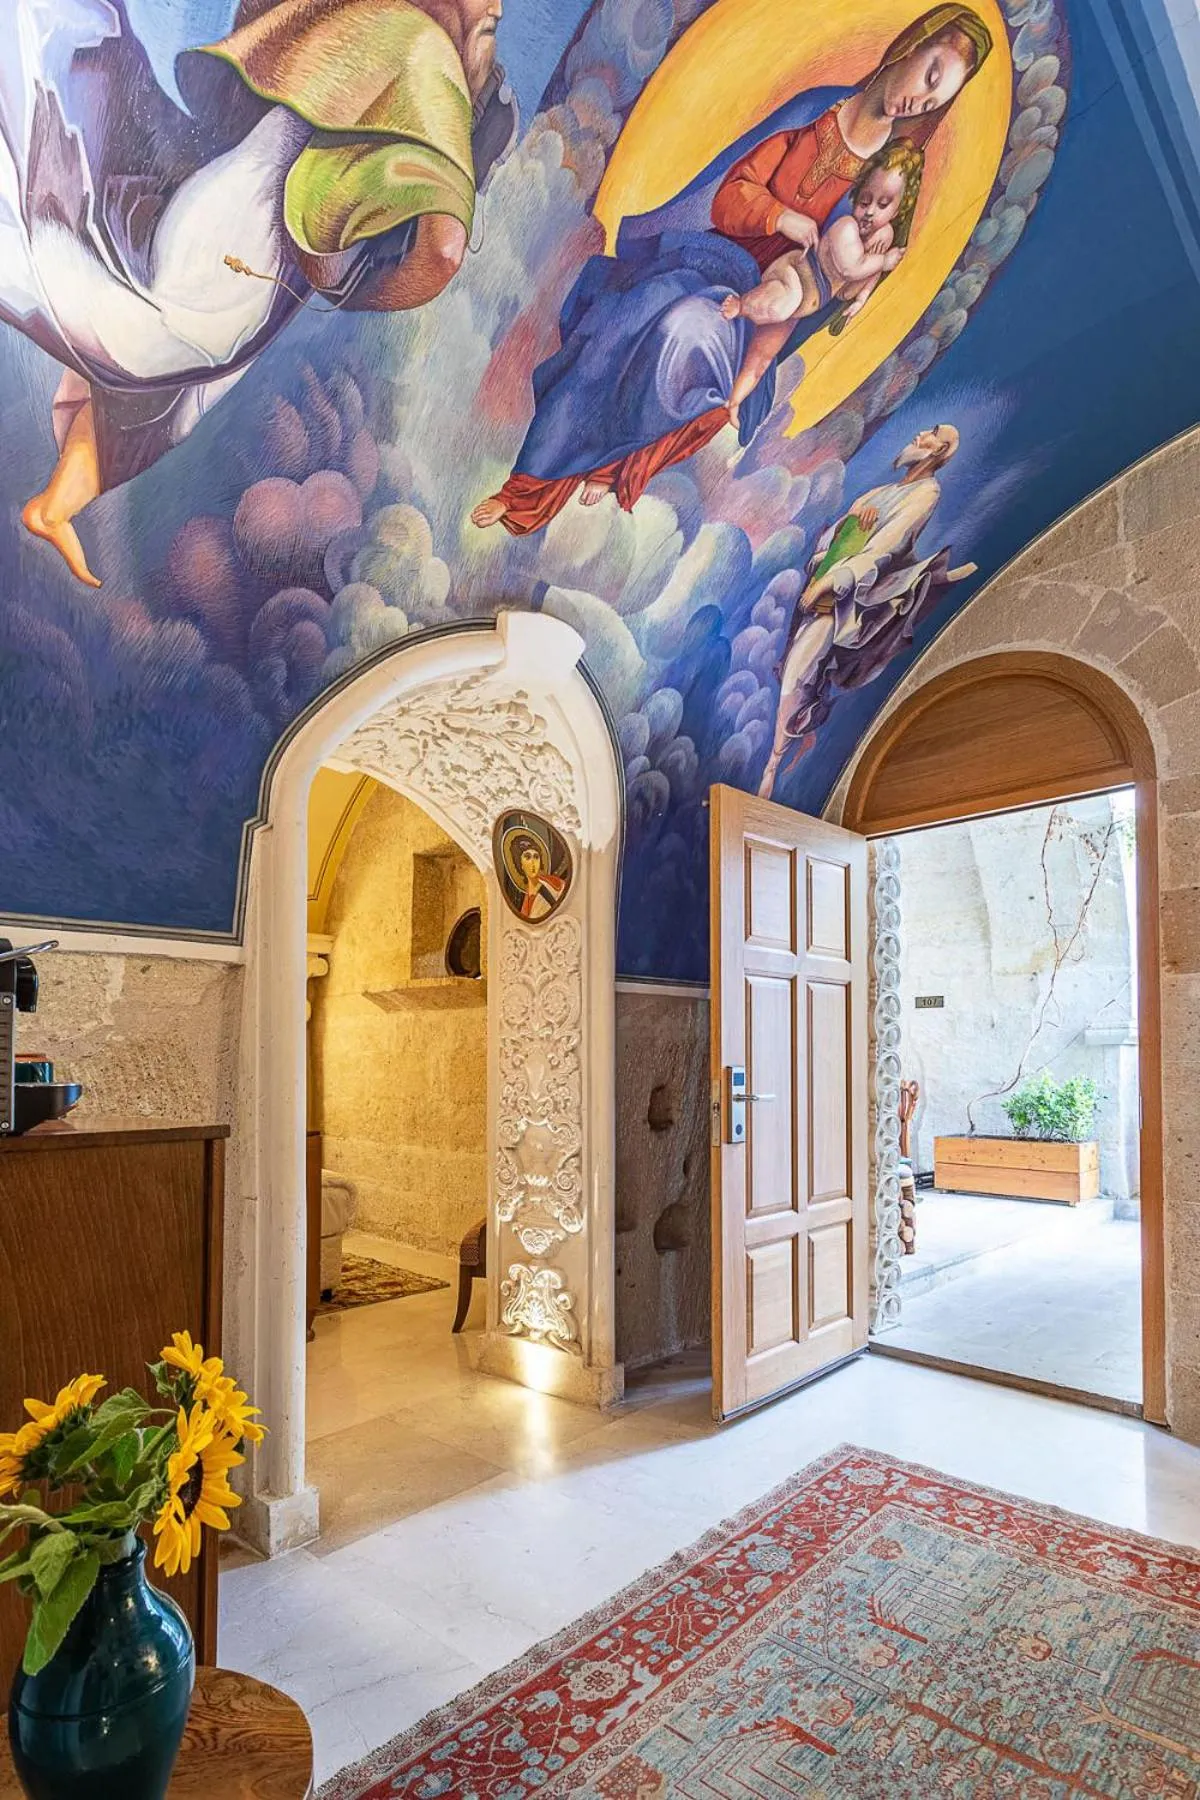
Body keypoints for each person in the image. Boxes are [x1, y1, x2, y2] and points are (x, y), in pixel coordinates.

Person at [2, 0, 515, 587]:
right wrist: (356, 296)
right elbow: (443, 252)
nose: (495, 9)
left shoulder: (372, 21)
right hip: (244, 245)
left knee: (169, 378)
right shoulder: (426, 54)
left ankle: (55, 507)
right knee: (156, 343)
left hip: (234, 225)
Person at [471, 5, 991, 537]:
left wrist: (862, 265)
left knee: (684, 331)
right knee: (630, 316)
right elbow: (732, 194)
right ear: (913, 44)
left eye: (934, 101)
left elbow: (842, 278)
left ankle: (613, 464)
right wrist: (780, 216)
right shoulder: (814, 111)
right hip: (712, 258)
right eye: (930, 76)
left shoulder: (887, 179)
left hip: (763, 312)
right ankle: (527, 486)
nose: (919, 100)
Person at [758, 424, 977, 798]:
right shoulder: (879, 493)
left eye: (932, 433)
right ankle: (787, 743)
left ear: (940, 451)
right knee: (794, 666)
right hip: (822, 591)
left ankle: (772, 765)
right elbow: (835, 540)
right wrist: (847, 526)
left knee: (798, 670)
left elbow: (887, 547)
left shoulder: (926, 493)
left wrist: (833, 581)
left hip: (853, 605)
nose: (920, 434)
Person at [719, 143, 920, 430]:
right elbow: (851, 268)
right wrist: (883, 261)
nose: (869, 212)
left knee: (763, 357)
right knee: (782, 304)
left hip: (807, 304)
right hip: (794, 276)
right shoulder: (847, 228)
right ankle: (741, 305)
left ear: (900, 208)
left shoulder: (880, 240)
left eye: (883, 204)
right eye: (865, 201)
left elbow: (859, 281)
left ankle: (734, 402)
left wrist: (861, 298)